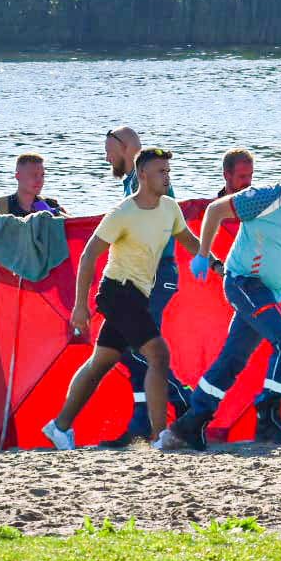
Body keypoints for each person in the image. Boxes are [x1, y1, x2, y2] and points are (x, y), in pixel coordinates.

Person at [159, 156, 281, 450]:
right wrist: (203, 253)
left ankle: (188, 425)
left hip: (272, 293)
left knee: (232, 360)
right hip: (243, 282)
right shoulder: (265, 198)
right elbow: (214, 210)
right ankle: (268, 418)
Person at [43, 148, 202, 449]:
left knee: (100, 363)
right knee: (158, 355)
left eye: (168, 171)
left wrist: (216, 263)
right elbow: (90, 254)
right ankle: (159, 436)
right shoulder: (124, 212)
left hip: (139, 294)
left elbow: (189, 241)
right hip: (118, 292)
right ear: (142, 175)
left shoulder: (170, 208)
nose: (166, 177)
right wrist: (79, 305)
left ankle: (59, 426)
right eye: (160, 172)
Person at [103, 126, 191, 444]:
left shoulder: (150, 183)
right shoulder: (132, 184)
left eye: (108, 150)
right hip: (142, 276)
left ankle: (186, 403)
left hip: (157, 275)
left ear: (125, 147)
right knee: (132, 350)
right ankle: (141, 423)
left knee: (137, 349)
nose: (106, 157)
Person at [0, 153, 65, 217]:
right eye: (33, 175)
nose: (40, 180)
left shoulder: (50, 205)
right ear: (18, 176)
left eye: (42, 175)